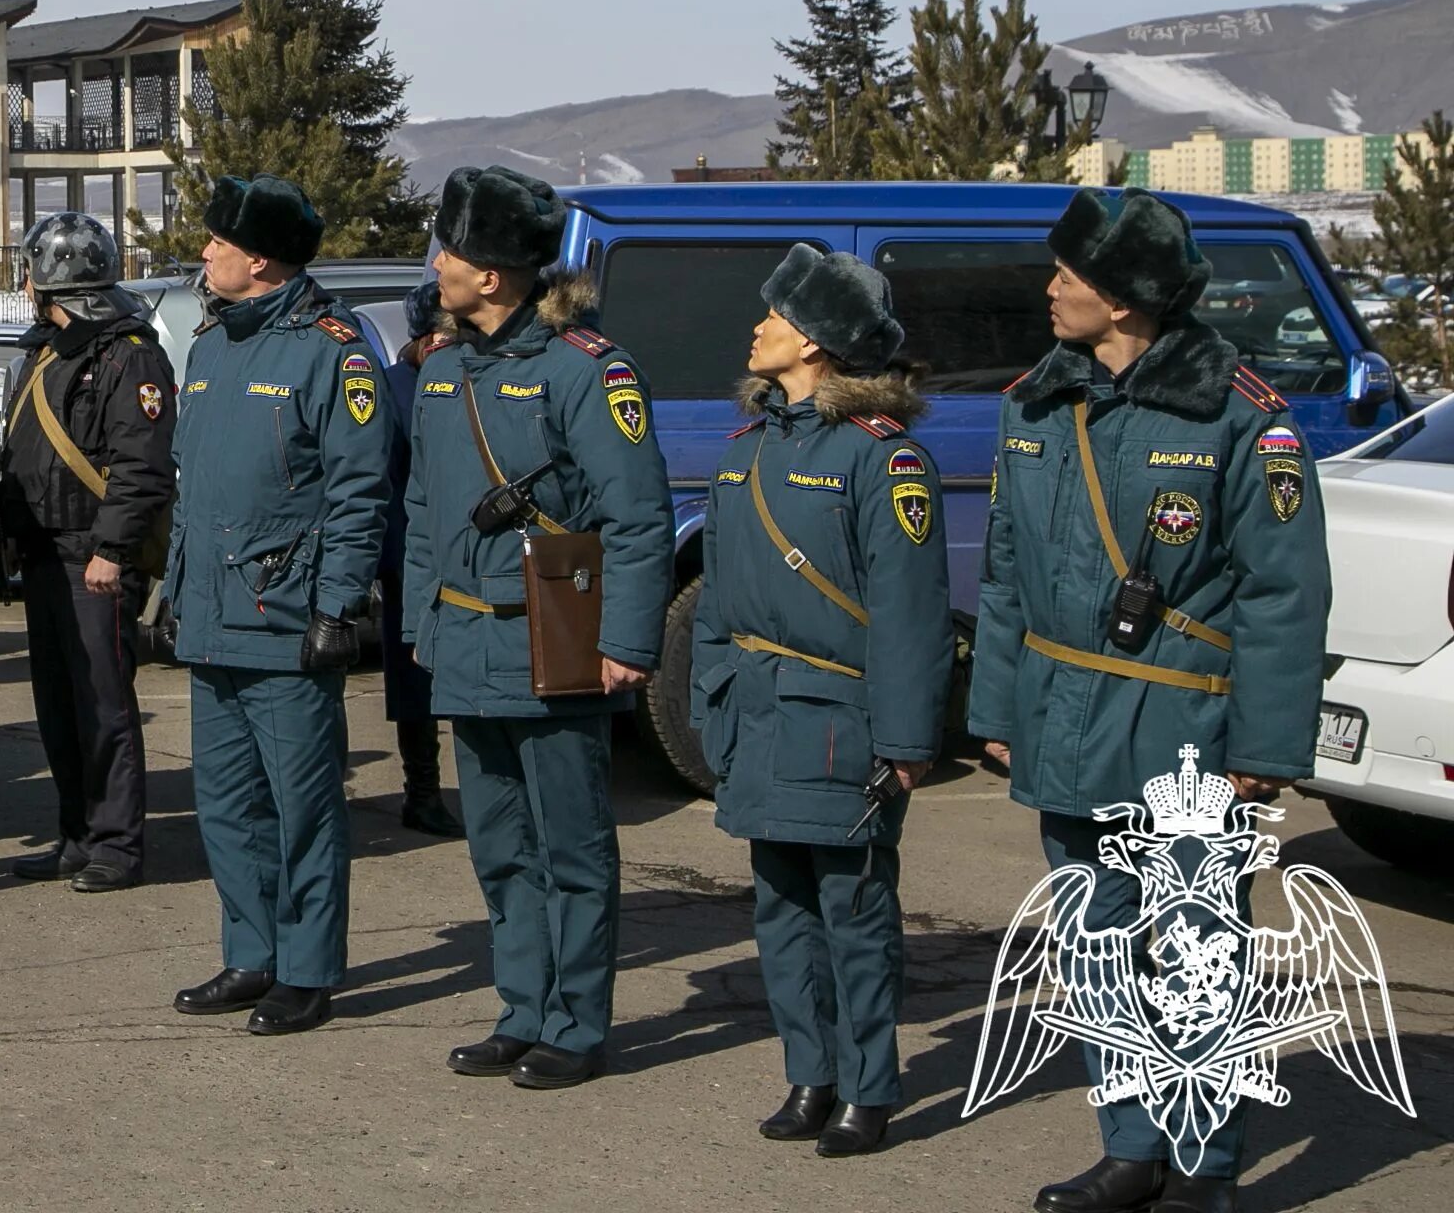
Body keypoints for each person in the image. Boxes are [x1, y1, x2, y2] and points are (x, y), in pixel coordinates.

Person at [968, 189, 1331, 1213]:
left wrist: (1266, 743)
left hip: (1185, 734)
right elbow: (1005, 573)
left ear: (1124, 301)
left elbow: (1283, 595)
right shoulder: (1034, 403)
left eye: (1068, 277)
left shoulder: (1242, 420)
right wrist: (995, 709)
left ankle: (1206, 1167)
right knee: (1092, 944)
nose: (1049, 289)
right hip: (1063, 718)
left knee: (1199, 954)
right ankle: (1130, 1149)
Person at [404, 167, 673, 1088]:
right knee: (499, 844)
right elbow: (420, 510)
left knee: (572, 845)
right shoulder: (441, 367)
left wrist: (627, 644)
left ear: (493, 275)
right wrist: (418, 622)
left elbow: (637, 518)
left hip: (551, 638)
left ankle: (576, 1023)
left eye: (451, 249)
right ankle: (521, 1009)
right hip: (465, 640)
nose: (435, 262)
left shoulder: (588, 369)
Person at [691, 245, 952, 1157]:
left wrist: (909, 739)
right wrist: (708, 699)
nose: (757, 327)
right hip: (757, 713)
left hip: (841, 721)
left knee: (856, 911)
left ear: (817, 343)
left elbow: (911, 615)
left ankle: (868, 1087)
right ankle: (810, 1073)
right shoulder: (747, 449)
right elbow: (718, 601)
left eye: (776, 316)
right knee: (781, 909)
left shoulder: (883, 459)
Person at [162, 176, 392, 1036]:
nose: (206, 254)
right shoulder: (211, 347)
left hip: (287, 617)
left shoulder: (334, 351)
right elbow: (194, 486)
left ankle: (306, 968)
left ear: (259, 259)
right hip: (213, 614)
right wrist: (173, 590)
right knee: (224, 801)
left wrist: (339, 605)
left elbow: (359, 490)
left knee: (304, 805)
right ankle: (250, 952)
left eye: (219, 243)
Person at [0, 212, 176, 890]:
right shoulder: (48, 350)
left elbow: (140, 465)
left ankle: (117, 846)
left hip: (92, 561)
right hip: (47, 554)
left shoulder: (128, 354)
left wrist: (112, 548)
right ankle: (75, 834)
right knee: (59, 705)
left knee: (103, 706)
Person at [380, 283, 460, 835]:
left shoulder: (461, 378)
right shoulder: (391, 390)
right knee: (414, 678)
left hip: (462, 552)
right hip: (408, 553)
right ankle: (423, 790)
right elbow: (380, 481)